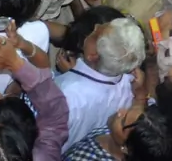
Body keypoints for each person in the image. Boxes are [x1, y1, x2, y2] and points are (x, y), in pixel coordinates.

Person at [55, 16, 146, 149]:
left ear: (93, 56)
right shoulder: (131, 87)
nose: (96, 25)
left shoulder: (64, 93)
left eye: (96, 33)